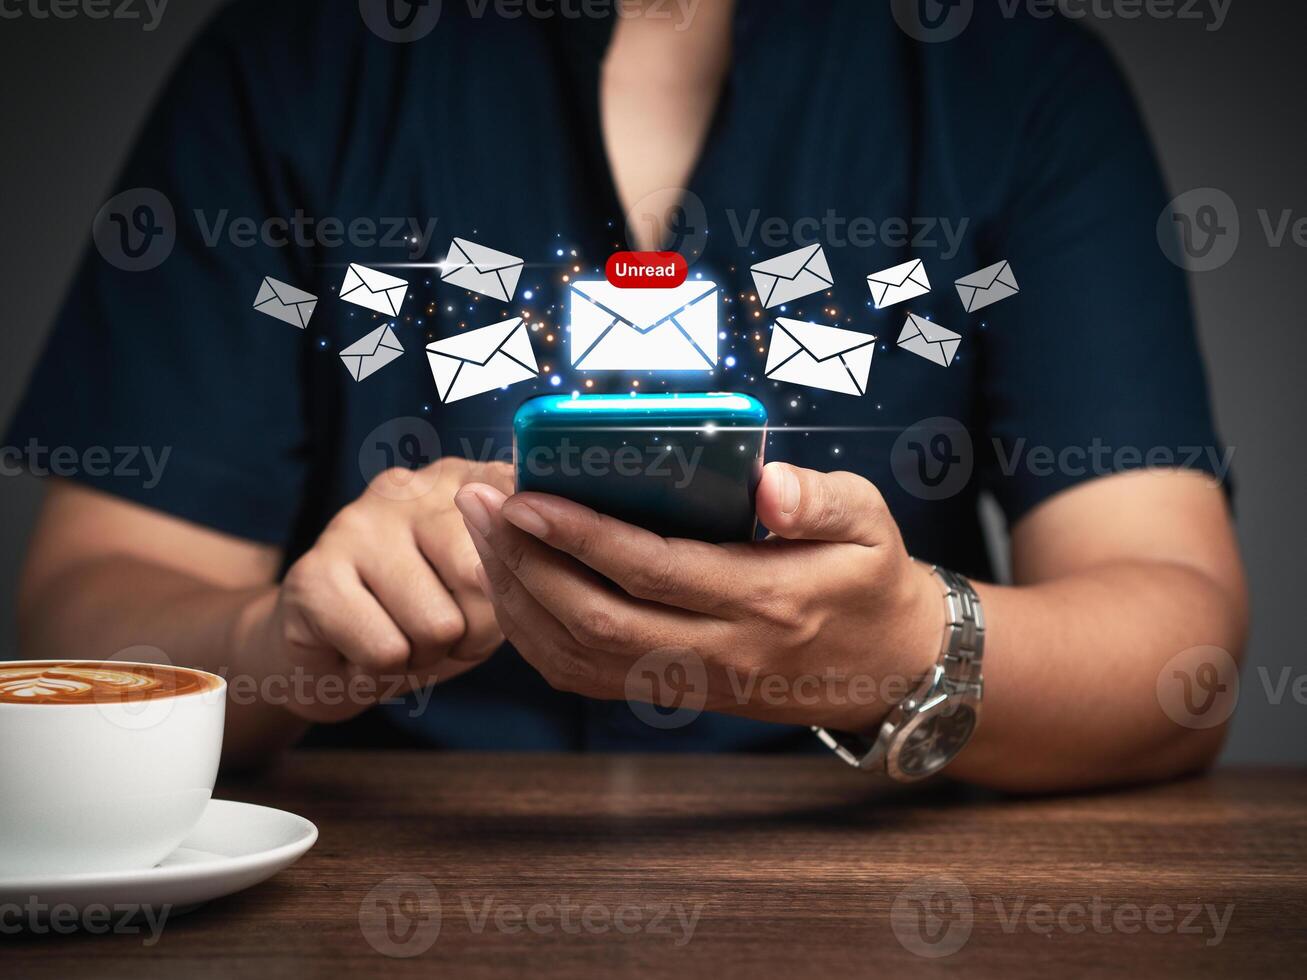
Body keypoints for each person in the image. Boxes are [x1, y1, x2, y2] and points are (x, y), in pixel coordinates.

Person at [7, 0, 1246, 792]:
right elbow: (85, 616)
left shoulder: (1016, 81)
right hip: (376, 877)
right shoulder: (284, 64)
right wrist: (284, 643)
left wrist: (908, 648)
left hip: (859, 870)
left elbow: (1177, 652)